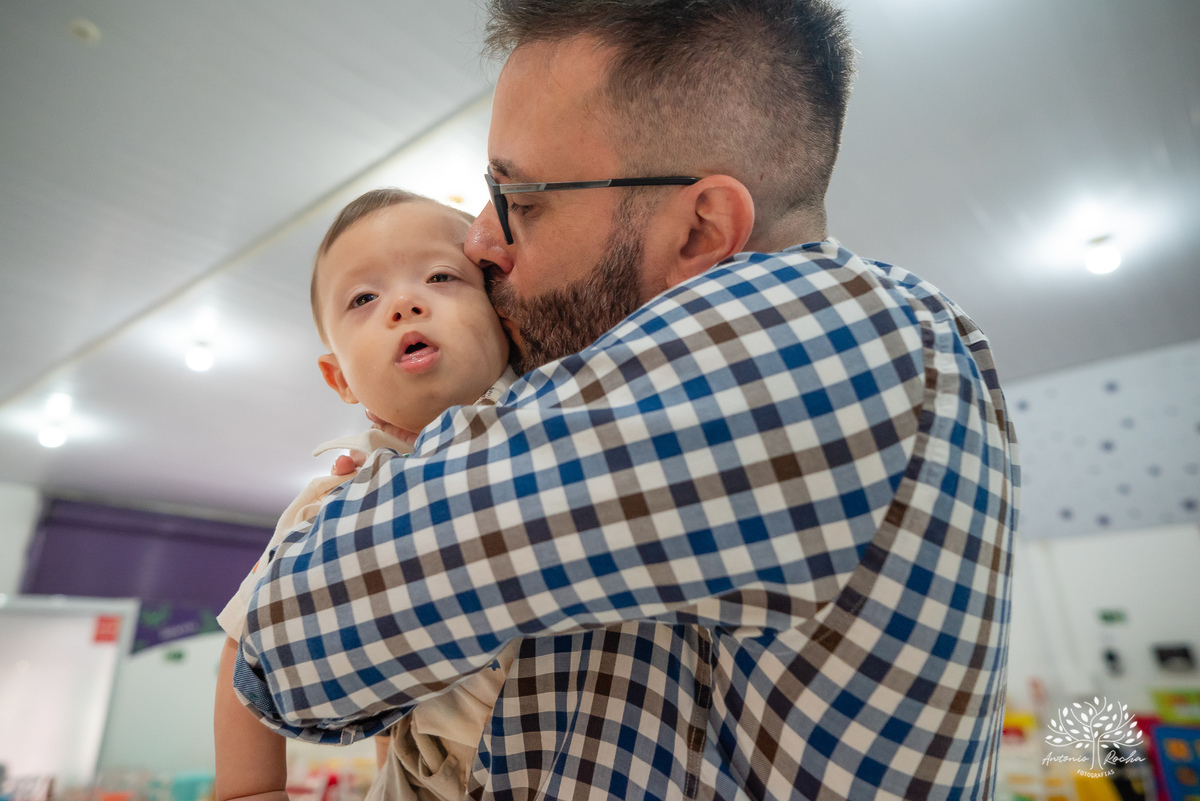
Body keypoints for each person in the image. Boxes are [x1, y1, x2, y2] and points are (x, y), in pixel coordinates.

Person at [230, 1, 1021, 799]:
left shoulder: (832, 331)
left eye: (522, 200)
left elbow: (292, 642)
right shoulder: (636, 424)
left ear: (700, 230)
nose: (479, 242)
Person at [213, 188, 519, 801]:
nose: (405, 304)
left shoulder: (551, 426)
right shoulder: (336, 502)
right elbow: (248, 644)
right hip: (427, 781)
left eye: (441, 277)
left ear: (505, 314)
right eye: (363, 298)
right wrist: (252, 788)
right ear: (340, 379)